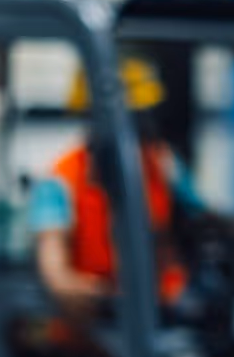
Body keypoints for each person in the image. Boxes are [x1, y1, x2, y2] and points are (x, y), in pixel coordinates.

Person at [29, 55, 203, 316]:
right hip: (96, 316)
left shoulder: (163, 163)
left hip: (163, 307)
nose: (137, 130)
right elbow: (54, 266)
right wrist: (78, 290)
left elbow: (201, 219)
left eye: (140, 118)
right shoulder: (61, 179)